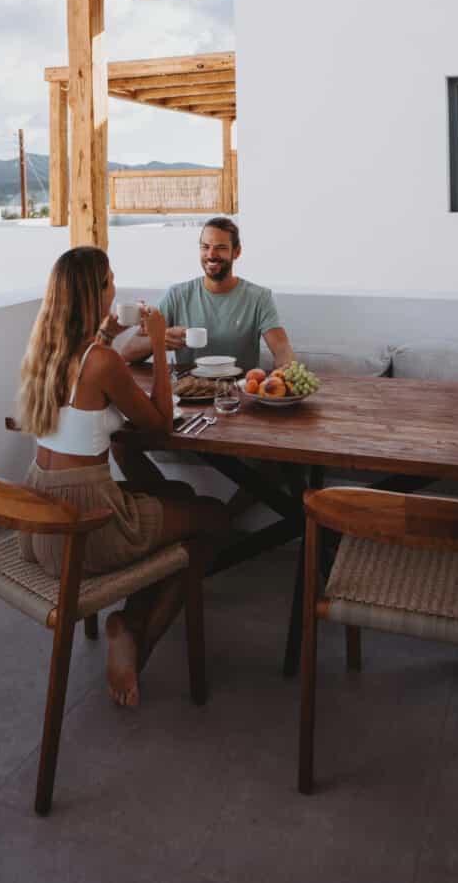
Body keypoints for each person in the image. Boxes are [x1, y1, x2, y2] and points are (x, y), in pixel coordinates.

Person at [16, 246, 229, 709]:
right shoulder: (101, 361)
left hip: (40, 520)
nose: (117, 287)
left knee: (173, 494)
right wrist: (155, 342)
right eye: (110, 280)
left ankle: (129, 622)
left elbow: (85, 405)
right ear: (96, 292)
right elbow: (160, 424)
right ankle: (133, 634)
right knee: (212, 518)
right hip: (86, 529)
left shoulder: (46, 349)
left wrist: (106, 335)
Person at [121, 217, 293, 373]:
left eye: (220, 248)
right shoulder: (177, 295)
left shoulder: (259, 297)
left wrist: (287, 370)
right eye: (205, 247)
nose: (211, 255)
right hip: (188, 392)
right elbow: (128, 353)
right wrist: (158, 340)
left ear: (237, 252)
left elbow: (282, 350)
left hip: (238, 394)